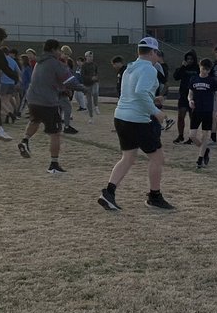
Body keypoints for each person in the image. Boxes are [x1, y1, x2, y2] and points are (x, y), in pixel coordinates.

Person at [98, 36, 174, 210]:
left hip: (121, 116)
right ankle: (154, 196)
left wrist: (152, 99)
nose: (158, 56)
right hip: (137, 120)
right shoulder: (149, 69)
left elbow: (133, 93)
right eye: (157, 53)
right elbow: (140, 93)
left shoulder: (129, 68)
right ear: (153, 52)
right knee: (157, 158)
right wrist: (157, 112)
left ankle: (108, 192)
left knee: (128, 158)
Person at [19, 38, 74, 173]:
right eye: (59, 50)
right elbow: (67, 80)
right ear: (54, 50)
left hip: (33, 99)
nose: (60, 53)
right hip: (47, 101)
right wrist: (80, 87)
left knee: (35, 120)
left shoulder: (39, 63)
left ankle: (24, 141)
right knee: (55, 134)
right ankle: (54, 164)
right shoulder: (54, 63)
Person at [187, 57, 217, 169]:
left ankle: (200, 159)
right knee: (192, 135)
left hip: (207, 111)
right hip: (196, 111)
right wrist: (190, 100)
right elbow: (190, 94)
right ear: (199, 67)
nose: (205, 71)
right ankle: (205, 150)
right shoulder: (194, 79)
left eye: (207, 69)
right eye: (203, 68)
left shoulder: (212, 81)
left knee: (205, 135)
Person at [172, 50, 199, 143]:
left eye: (191, 59)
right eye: (188, 59)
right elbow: (176, 77)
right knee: (180, 116)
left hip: (194, 96)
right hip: (183, 95)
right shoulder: (183, 68)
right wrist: (183, 66)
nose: (189, 61)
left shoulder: (197, 68)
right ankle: (180, 135)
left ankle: (191, 137)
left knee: (193, 117)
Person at [81, 50, 100, 120]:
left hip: (94, 83)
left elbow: (97, 73)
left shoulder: (95, 64)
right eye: (89, 56)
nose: (91, 58)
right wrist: (90, 78)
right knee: (89, 101)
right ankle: (91, 117)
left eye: (91, 56)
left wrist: (96, 78)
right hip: (87, 84)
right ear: (86, 57)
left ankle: (96, 106)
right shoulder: (84, 66)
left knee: (95, 92)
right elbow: (82, 76)